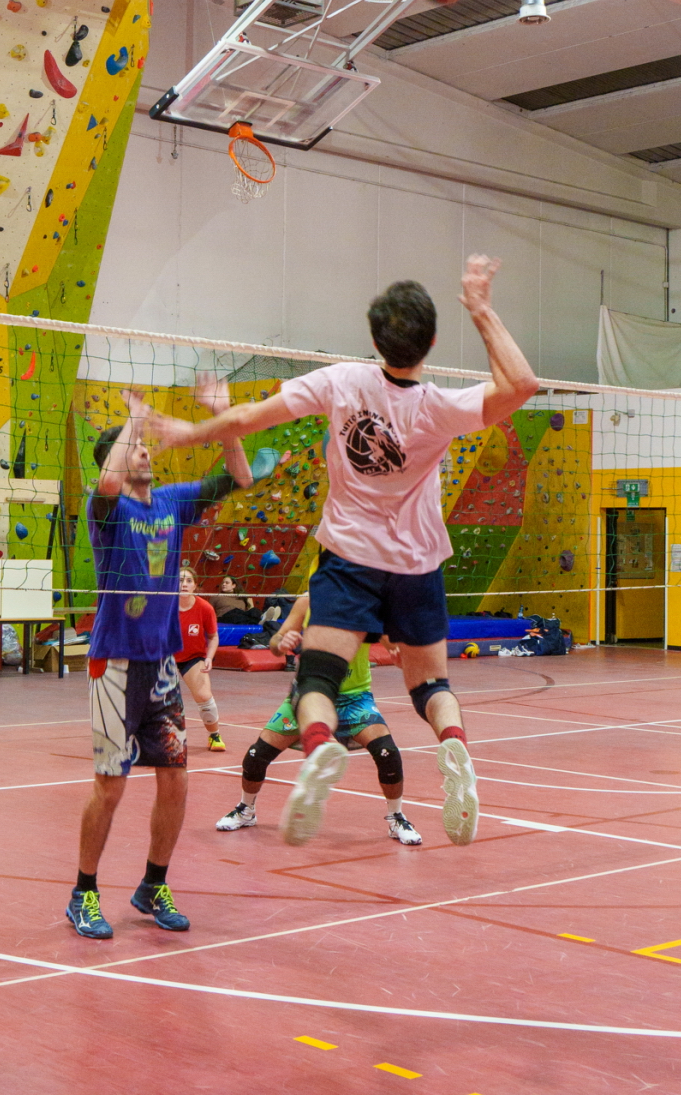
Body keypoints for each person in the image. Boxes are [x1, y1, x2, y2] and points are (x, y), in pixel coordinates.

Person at [152, 255, 539, 847]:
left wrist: (191, 431)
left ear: (375, 341)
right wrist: (481, 308)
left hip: (350, 559)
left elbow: (251, 417)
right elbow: (523, 385)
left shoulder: (341, 382)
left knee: (317, 679)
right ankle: (454, 745)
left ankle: (318, 748)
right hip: (416, 564)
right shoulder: (440, 406)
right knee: (430, 687)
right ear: (432, 343)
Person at [67, 374, 252, 939]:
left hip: (163, 667)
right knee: (111, 787)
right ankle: (83, 893)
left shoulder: (172, 502)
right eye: (135, 447)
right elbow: (107, 480)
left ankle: (153, 884)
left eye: (146, 445)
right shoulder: (106, 511)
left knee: (175, 780)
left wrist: (223, 419)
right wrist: (135, 419)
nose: (145, 450)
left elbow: (240, 476)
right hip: (114, 666)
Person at [216, 593, 421, 845]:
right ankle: (246, 810)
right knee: (256, 755)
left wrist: (401, 652)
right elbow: (275, 643)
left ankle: (396, 817)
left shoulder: (369, 602)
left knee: (387, 752)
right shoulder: (308, 601)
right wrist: (281, 642)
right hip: (309, 693)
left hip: (353, 698)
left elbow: (394, 641)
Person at [175, 567, 226, 751]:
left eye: (189, 581)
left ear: (195, 585)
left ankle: (214, 735)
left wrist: (209, 658)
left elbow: (213, 636)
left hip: (193, 658)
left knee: (204, 696)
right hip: (165, 658)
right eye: (180, 580)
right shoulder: (164, 606)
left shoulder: (205, 608)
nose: (184, 584)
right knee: (156, 698)